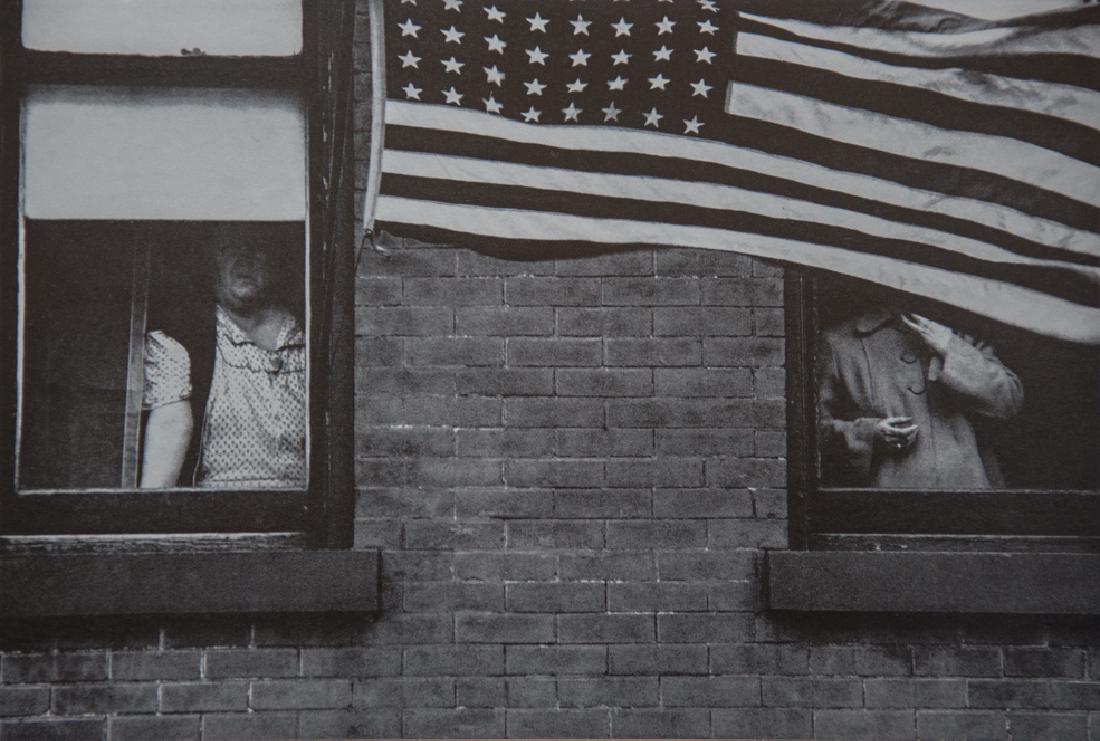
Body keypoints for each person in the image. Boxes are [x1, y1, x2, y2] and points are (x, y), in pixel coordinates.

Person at [139, 228, 306, 488]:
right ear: (211, 262)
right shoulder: (185, 338)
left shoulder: (310, 337)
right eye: (229, 249)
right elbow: (170, 425)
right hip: (219, 511)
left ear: (274, 259)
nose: (243, 260)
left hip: (303, 510)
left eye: (256, 248)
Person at [817, 305, 1023, 488]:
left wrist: (951, 347)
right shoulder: (839, 343)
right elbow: (813, 434)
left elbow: (1009, 401)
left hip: (968, 502)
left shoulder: (963, 334)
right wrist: (868, 435)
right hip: (884, 507)